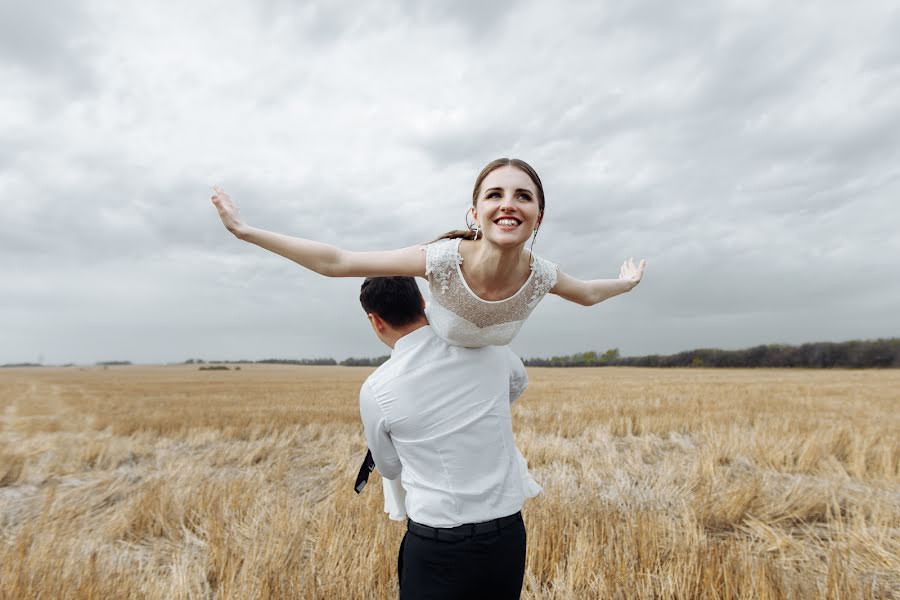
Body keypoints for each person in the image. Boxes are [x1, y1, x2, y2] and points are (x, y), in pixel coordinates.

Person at [209, 157, 647, 350]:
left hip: (491, 379)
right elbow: (336, 262)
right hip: (431, 368)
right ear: (475, 213)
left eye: (523, 196)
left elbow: (588, 294)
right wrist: (245, 231)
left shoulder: (541, 275)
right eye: (495, 194)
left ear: (538, 215)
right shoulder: (440, 259)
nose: (509, 204)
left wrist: (626, 284)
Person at [356, 276, 535, 599]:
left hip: (438, 543)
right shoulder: (486, 345)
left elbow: (390, 468)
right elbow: (518, 383)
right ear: (423, 303)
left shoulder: (377, 389)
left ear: (375, 320)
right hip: (507, 534)